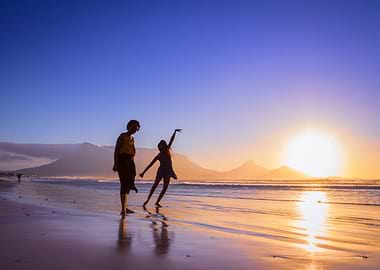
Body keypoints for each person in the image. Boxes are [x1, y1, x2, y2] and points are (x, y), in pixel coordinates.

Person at [140, 129, 182, 207]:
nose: (160, 149)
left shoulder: (167, 151)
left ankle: (157, 202)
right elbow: (150, 164)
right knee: (155, 185)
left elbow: (171, 140)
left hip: (168, 171)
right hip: (161, 171)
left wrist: (174, 132)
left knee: (165, 187)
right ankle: (148, 200)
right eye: (159, 148)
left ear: (164, 147)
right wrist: (143, 172)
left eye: (161, 147)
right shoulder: (159, 155)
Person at [113, 120, 140, 216]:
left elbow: (132, 152)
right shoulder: (122, 136)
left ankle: (125, 207)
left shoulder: (132, 138)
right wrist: (115, 163)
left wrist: (132, 163)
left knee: (129, 183)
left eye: (136, 129)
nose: (134, 130)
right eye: (133, 128)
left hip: (130, 160)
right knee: (124, 184)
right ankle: (123, 209)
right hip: (122, 160)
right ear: (128, 126)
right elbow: (116, 150)